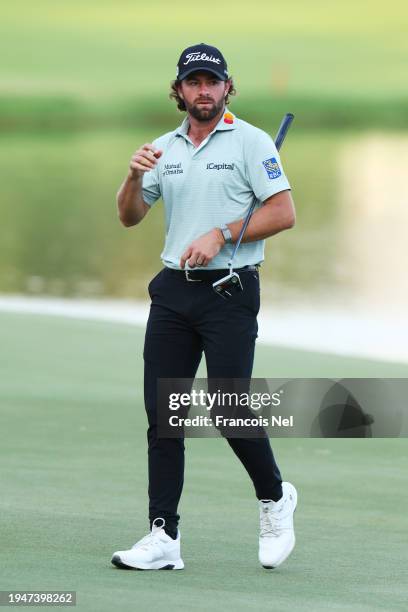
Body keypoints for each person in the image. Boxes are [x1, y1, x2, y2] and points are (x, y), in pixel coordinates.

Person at [111, 43, 297, 571]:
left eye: (211, 82)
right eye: (193, 82)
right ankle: (163, 536)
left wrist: (220, 233)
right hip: (173, 291)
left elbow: (283, 212)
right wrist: (131, 176)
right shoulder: (162, 148)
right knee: (162, 417)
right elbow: (130, 217)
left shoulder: (251, 141)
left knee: (227, 405)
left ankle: (274, 496)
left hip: (230, 292)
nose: (203, 91)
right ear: (180, 90)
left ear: (226, 87)